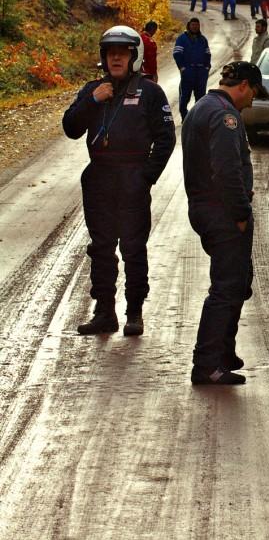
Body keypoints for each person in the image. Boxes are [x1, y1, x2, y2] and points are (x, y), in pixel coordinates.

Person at [62, 26, 176, 336]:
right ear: (103, 57)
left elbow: (166, 138)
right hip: (99, 176)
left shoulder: (150, 92)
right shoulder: (93, 90)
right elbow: (71, 128)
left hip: (133, 176)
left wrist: (146, 177)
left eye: (122, 52)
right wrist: (93, 101)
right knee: (101, 247)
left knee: (133, 247)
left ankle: (134, 312)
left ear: (133, 57)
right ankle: (104, 312)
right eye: (110, 52)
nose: (115, 57)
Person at [182, 61, 269, 385]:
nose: (252, 102)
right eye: (254, 94)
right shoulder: (225, 117)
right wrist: (240, 214)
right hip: (222, 213)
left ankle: (223, 352)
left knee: (237, 282)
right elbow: (227, 171)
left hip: (206, 209)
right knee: (226, 288)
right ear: (244, 85)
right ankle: (207, 364)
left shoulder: (203, 107)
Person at [173, 18, 212, 120]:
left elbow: (207, 54)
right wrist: (182, 68)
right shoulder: (182, 38)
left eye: (197, 25)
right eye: (193, 25)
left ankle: (197, 118)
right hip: (188, 71)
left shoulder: (203, 39)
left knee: (201, 98)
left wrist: (206, 67)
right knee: (185, 97)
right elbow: (177, 53)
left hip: (201, 72)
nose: (195, 27)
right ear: (189, 26)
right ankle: (185, 118)